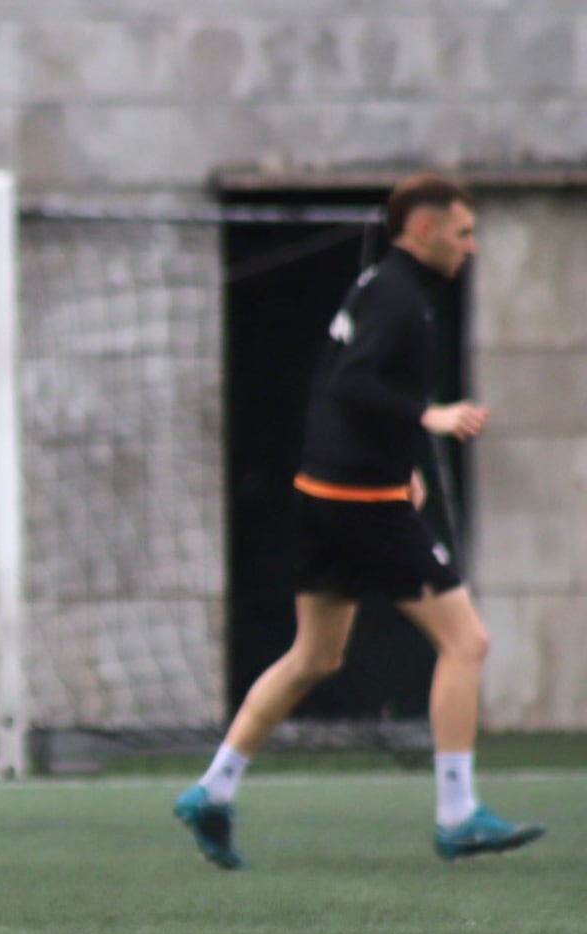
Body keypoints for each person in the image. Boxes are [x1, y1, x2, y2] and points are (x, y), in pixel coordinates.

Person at [174, 174, 545, 870]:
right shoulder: (400, 297)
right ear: (424, 229)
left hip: (326, 494)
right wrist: (425, 418)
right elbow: (354, 383)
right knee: (468, 643)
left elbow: (336, 385)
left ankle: (212, 790)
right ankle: (458, 812)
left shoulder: (379, 285)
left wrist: (393, 459)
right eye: (463, 233)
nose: (471, 247)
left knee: (315, 657)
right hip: (362, 508)